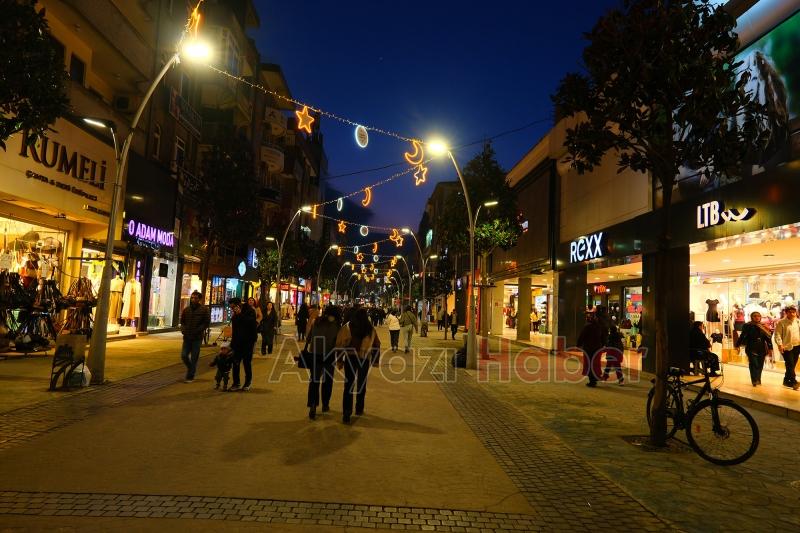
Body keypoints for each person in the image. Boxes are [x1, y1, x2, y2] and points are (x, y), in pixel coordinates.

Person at [335, 307, 380, 424]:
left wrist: (339, 360)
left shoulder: (348, 326)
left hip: (350, 358)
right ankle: (359, 409)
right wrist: (375, 360)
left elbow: (339, 344)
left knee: (348, 384)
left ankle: (346, 412)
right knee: (361, 383)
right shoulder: (370, 329)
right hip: (364, 359)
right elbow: (377, 344)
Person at [305, 305, 342, 420]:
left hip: (315, 354)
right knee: (327, 381)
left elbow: (309, 337)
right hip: (329, 355)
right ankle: (325, 404)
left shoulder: (318, 321)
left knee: (314, 380)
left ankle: (312, 405)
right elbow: (338, 342)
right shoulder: (336, 325)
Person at [179, 290, 210, 383]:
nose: (193, 299)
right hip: (187, 336)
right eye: (192, 297)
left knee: (194, 357)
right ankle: (191, 368)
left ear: (199, 299)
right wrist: (183, 330)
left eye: (195, 298)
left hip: (197, 337)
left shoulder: (204, 309)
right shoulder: (187, 309)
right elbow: (183, 321)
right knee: (184, 355)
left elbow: (206, 322)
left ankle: (190, 376)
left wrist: (199, 330)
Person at [736, 311, 773, 386]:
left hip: (761, 348)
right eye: (755, 316)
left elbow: (768, 338)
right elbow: (743, 335)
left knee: (760, 365)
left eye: (758, 316)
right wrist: (737, 345)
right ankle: (754, 380)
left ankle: (758, 379)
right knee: (754, 364)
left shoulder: (763, 326)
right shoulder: (747, 325)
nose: (757, 317)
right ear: (752, 317)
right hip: (751, 347)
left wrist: (770, 348)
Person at [229, 297, 258, 391]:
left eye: (233, 307)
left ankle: (247, 382)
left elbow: (251, 323)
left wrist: (240, 314)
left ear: (238, 305)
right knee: (236, 362)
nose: (232, 309)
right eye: (231, 308)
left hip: (248, 342)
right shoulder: (234, 315)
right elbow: (235, 329)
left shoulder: (250, 310)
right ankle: (236, 383)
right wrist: (232, 344)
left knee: (246, 363)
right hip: (237, 342)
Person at [773, 304, 800, 390]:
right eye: (790, 312)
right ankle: (793, 382)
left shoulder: (798, 321)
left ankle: (786, 380)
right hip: (786, 347)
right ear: (786, 313)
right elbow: (777, 335)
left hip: (797, 346)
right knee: (790, 364)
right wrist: (780, 345)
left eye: (794, 312)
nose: (792, 314)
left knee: (791, 365)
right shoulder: (781, 322)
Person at [578, 312, 604, 387]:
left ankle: (592, 381)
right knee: (595, 363)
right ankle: (595, 378)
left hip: (588, 348)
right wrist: (603, 345)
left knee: (589, 363)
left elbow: (582, 336)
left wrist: (579, 345)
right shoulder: (599, 326)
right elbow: (603, 337)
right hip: (597, 348)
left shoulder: (587, 326)